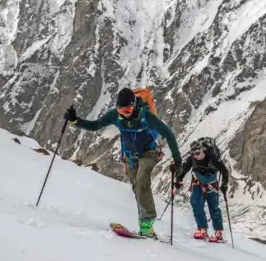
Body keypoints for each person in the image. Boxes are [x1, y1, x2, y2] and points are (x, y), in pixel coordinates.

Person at [64, 88, 182, 237]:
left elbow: (168, 135)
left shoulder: (146, 116)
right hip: (130, 157)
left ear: (134, 106)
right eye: (121, 109)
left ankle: (146, 224)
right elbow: (95, 125)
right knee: (137, 188)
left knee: (142, 182)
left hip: (149, 153)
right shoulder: (114, 115)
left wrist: (178, 161)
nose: (125, 112)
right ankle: (146, 227)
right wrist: (75, 120)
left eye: (128, 109)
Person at [171, 138, 229, 242]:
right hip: (198, 182)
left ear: (203, 150)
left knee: (214, 206)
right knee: (196, 203)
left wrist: (224, 185)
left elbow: (225, 171)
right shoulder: (192, 159)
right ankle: (202, 229)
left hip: (211, 183)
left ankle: (218, 232)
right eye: (194, 154)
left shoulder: (212, 157)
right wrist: (178, 182)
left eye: (198, 153)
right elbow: (183, 171)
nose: (196, 156)